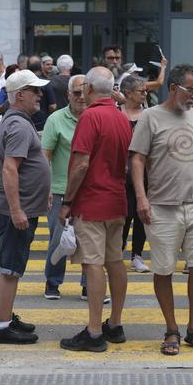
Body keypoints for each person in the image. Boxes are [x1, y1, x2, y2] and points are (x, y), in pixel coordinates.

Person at [130, 64, 193, 355]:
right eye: (189, 90)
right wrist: (142, 199)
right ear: (173, 88)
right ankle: (171, 328)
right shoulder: (150, 117)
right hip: (162, 206)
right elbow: (138, 160)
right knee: (163, 269)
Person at [58, 67, 132, 352]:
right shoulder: (120, 117)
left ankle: (93, 330)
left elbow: (80, 165)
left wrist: (67, 202)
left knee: (92, 265)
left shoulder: (90, 116)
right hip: (116, 201)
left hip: (91, 202)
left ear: (88, 88)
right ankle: (115, 323)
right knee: (115, 262)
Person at [0, 69, 51, 344]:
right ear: (20, 95)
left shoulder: (17, 121)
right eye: (35, 90)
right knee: (10, 269)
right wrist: (16, 210)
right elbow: (10, 170)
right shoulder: (18, 125)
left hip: (19, 207)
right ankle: (3, 327)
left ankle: (6, 316)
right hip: (14, 211)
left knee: (13, 267)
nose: (40, 95)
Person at [41, 74, 90, 299]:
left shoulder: (94, 117)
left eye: (83, 92)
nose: (80, 97)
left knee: (90, 240)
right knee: (58, 239)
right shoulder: (55, 119)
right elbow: (46, 156)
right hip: (61, 188)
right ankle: (52, 283)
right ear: (68, 95)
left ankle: (89, 285)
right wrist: (47, 187)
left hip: (90, 190)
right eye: (76, 93)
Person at [119, 74, 151, 273]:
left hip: (145, 173)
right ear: (128, 93)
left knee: (142, 215)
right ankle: (117, 253)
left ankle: (137, 255)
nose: (145, 94)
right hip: (120, 173)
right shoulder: (116, 112)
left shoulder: (149, 114)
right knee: (123, 215)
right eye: (141, 91)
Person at [27, 56, 57, 131]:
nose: (40, 94)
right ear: (41, 68)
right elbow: (53, 106)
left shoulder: (24, 83)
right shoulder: (46, 83)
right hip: (42, 121)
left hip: (27, 120)